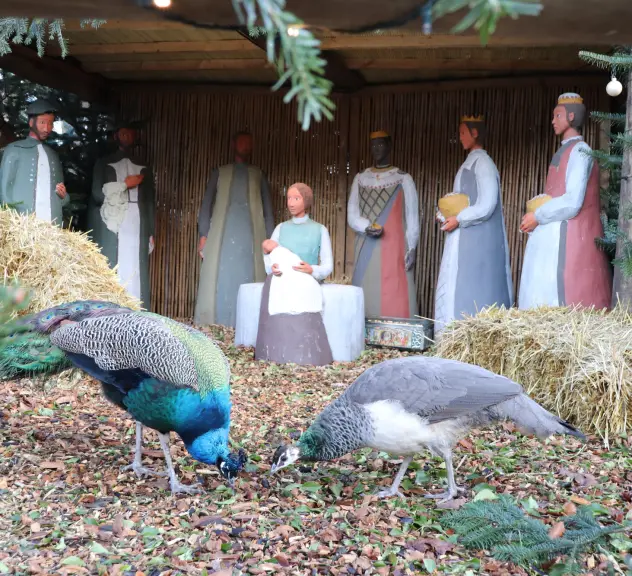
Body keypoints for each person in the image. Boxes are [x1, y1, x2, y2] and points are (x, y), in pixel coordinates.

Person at [518, 93, 612, 310]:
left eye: (557, 115)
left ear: (571, 116)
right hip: (555, 231)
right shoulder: (565, 150)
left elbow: (572, 201)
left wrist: (539, 215)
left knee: (566, 293)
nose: (553, 121)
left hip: (572, 237)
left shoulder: (580, 151)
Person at [434, 115, 513, 335]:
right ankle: (449, 335)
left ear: (475, 133)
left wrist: (459, 218)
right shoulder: (468, 163)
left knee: (474, 290)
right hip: (462, 239)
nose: (459, 137)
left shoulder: (484, 164)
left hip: (477, 243)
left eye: (462, 133)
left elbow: (487, 204)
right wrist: (446, 213)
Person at [194, 131, 275, 327]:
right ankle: (212, 322)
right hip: (220, 238)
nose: (246, 146)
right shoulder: (220, 172)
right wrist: (204, 234)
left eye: (249, 143)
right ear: (233, 144)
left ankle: (251, 324)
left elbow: (268, 210)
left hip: (253, 238)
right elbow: (206, 205)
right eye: (242, 142)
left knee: (251, 276)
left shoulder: (258, 174)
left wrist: (271, 240)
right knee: (219, 277)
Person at [255, 182, 333, 366]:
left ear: (306, 201)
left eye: (296, 198)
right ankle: (273, 352)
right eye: (289, 198)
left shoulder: (319, 230)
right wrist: (272, 267)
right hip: (280, 279)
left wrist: (312, 269)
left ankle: (305, 355)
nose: (291, 203)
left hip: (305, 279)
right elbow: (269, 255)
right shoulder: (280, 228)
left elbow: (328, 265)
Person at [347, 130, 420, 319]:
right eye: (373, 145)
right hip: (365, 243)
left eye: (380, 144)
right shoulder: (361, 178)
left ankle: (399, 329)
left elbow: (412, 215)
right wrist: (365, 226)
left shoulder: (403, 178)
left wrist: (412, 246)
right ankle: (363, 326)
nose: (376, 149)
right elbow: (352, 213)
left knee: (394, 286)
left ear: (389, 146)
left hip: (395, 244)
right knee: (366, 284)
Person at [88, 120, 156, 309]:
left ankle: (137, 308)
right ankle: (111, 308)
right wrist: (124, 185)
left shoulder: (144, 166)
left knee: (136, 263)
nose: (127, 136)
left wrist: (151, 230)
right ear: (116, 136)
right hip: (114, 218)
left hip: (137, 219)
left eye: (130, 133)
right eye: (123, 133)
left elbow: (150, 201)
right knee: (114, 261)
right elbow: (97, 194)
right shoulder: (104, 163)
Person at [0, 98, 68, 225]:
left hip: (51, 223)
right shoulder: (14, 150)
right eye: (42, 122)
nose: (47, 128)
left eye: (50, 123)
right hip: (22, 223)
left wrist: (63, 196)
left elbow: (62, 197)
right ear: (31, 122)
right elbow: (4, 189)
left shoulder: (53, 155)